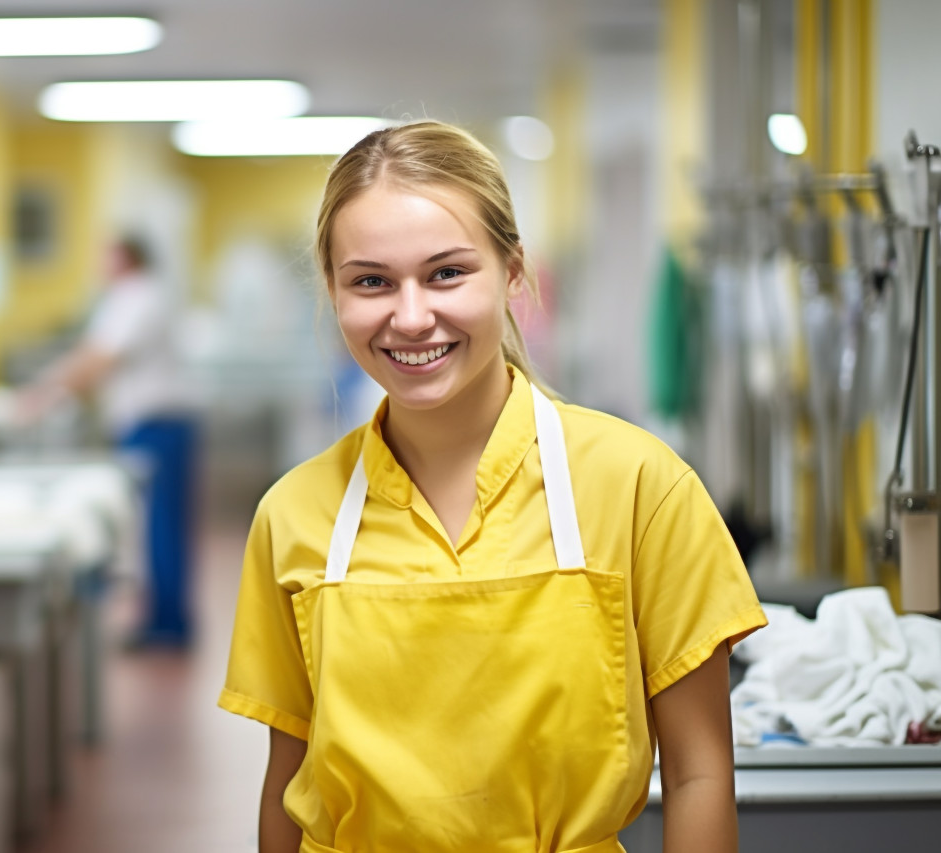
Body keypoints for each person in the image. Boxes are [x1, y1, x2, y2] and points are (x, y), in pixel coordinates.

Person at [218, 121, 768, 852]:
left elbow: (700, 773)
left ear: (513, 273)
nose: (411, 317)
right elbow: (287, 787)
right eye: (371, 281)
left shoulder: (639, 486)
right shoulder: (292, 515)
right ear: (334, 290)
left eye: (447, 272)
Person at [21, 236, 196, 647]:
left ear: (127, 259)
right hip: (149, 423)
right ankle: (163, 620)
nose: (99, 263)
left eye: (107, 255)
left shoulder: (140, 296)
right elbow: (91, 351)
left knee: (161, 527)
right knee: (155, 527)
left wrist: (43, 395)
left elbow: (101, 359)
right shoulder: (126, 298)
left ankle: (168, 626)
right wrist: (50, 385)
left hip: (160, 423)